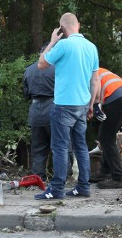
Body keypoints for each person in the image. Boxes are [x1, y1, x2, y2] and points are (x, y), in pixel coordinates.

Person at [34, 12, 99, 200]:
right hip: (82, 103)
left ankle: (56, 189)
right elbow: (95, 79)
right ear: (77, 24)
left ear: (61, 28)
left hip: (64, 104)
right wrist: (91, 104)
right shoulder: (91, 47)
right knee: (80, 146)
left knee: (60, 147)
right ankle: (83, 187)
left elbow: (41, 64)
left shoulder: (63, 45)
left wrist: (52, 42)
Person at [22, 42, 73, 181]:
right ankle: (62, 176)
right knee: (61, 145)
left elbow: (25, 94)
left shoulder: (29, 70)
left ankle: (38, 177)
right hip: (56, 109)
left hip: (35, 112)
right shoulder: (60, 68)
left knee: (38, 148)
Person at [89, 67, 122, 189]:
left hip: (118, 97)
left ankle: (118, 178)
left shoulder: (87, 72)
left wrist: (92, 107)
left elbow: (94, 89)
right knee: (106, 134)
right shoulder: (98, 69)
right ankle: (105, 171)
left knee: (106, 138)